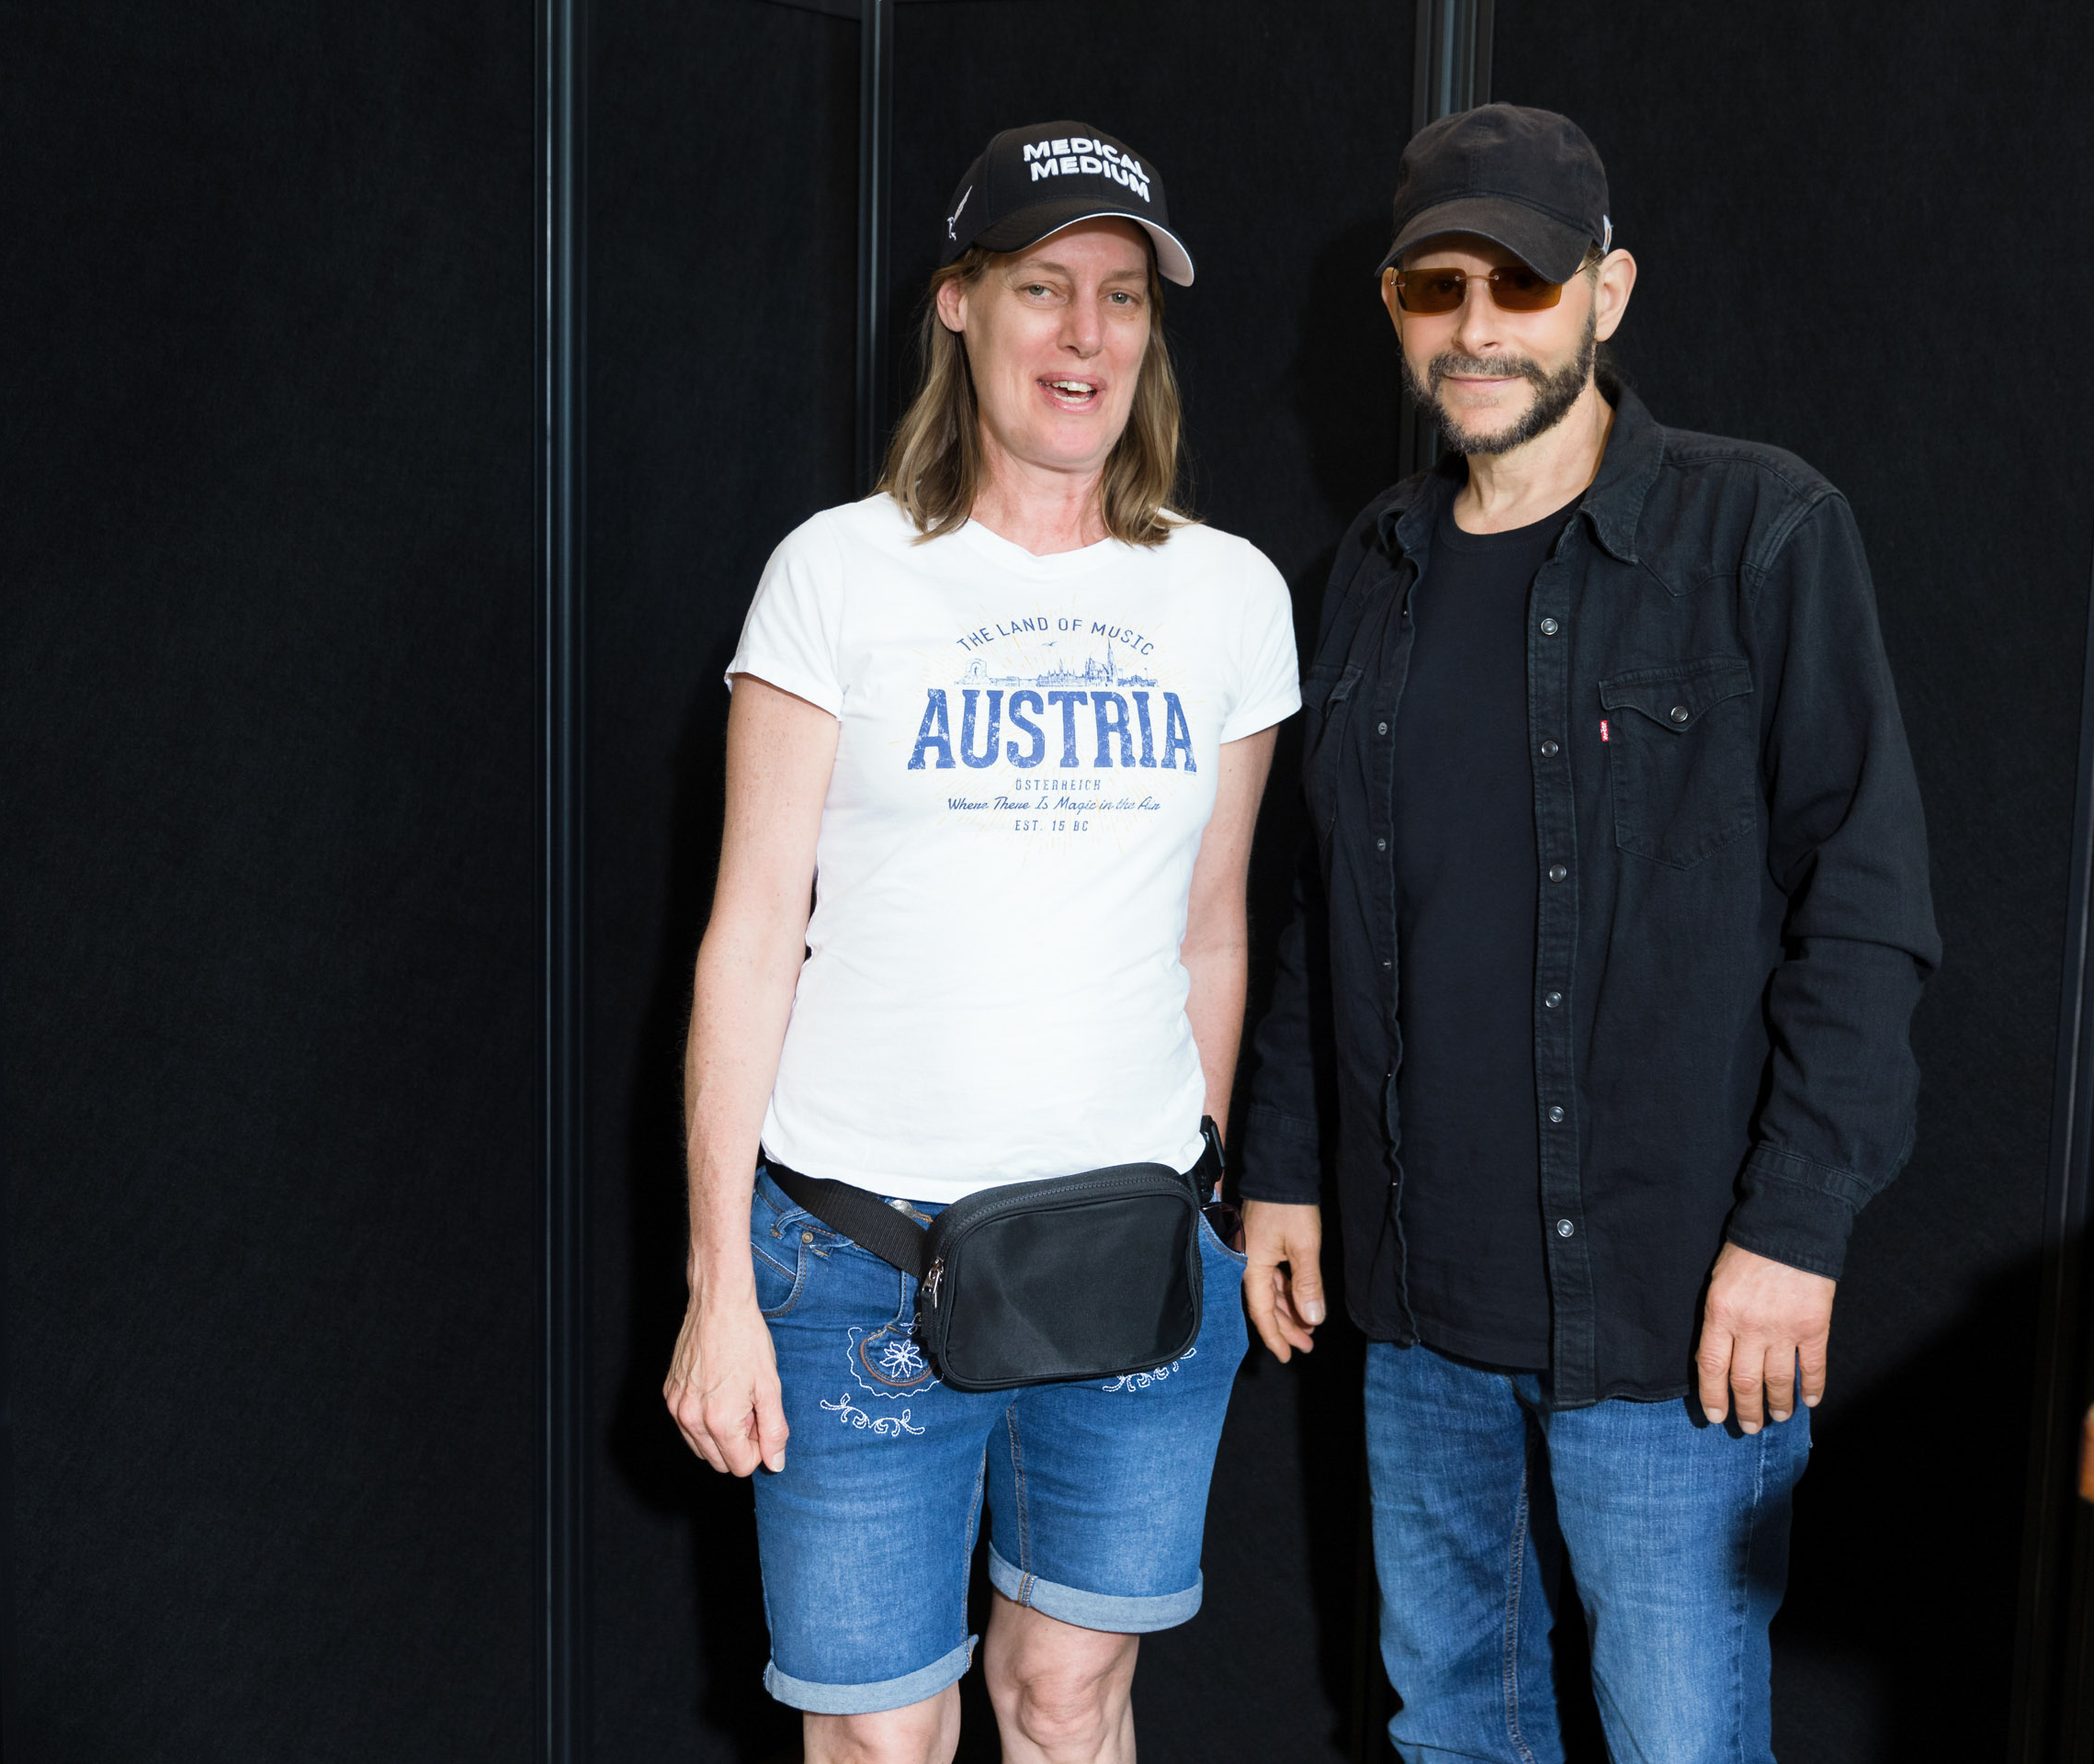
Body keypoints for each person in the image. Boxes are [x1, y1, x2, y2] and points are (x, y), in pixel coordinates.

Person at [1239, 104, 1939, 1764]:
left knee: (1678, 1743)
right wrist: (1283, 1165)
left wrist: (1797, 1232)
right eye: (1438, 288)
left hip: (1669, 1312)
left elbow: (1866, 909)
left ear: (1606, 294)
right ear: (1397, 309)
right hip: (1418, 1311)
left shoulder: (1760, 532)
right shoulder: (1373, 568)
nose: (1477, 327)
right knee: (1450, 1732)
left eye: (1524, 284)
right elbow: (1323, 899)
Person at [663, 120, 1297, 1764]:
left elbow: (1212, 934)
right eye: (1041, 287)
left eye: (1122, 297)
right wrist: (719, 1285)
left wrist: (1202, 1202)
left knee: (1071, 1699)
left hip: (1134, 1261)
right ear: (959, 303)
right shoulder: (838, 572)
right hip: (859, 1268)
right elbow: (749, 938)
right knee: (884, 1739)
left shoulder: (1229, 596)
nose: (1086, 334)